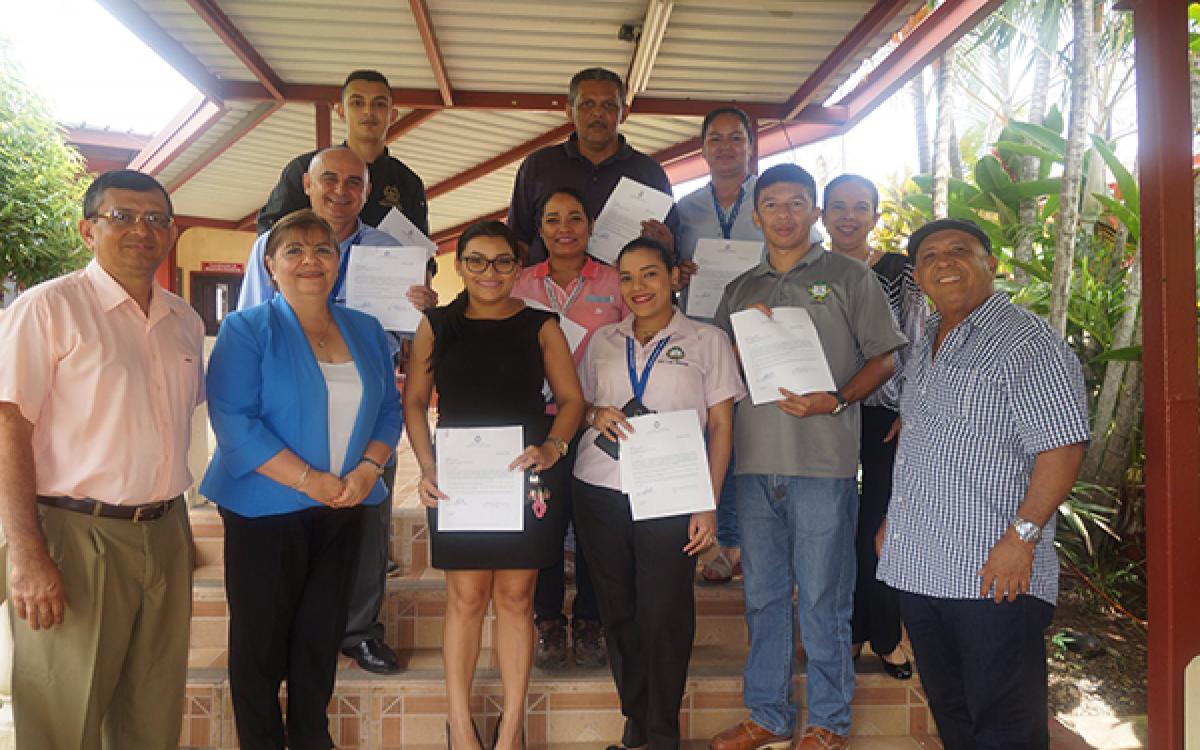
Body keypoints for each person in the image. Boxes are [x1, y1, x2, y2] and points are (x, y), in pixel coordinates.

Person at [0, 169, 204, 749]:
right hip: (73, 534)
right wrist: (27, 556)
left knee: (151, 712)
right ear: (89, 230)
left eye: (156, 219)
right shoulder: (48, 309)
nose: (142, 230)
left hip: (165, 532)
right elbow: (8, 430)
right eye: (123, 217)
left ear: (170, 233)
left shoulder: (183, 321)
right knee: (63, 717)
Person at [709, 164, 907, 750]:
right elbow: (725, 369)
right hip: (754, 463)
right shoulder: (740, 290)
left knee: (823, 598)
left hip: (823, 464)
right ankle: (767, 715)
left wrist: (838, 398)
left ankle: (827, 723)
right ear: (757, 215)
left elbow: (885, 358)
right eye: (773, 204)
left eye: (798, 203)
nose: (785, 215)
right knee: (764, 598)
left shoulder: (850, 277)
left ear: (814, 212)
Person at [878, 218, 1089, 748]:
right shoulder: (925, 339)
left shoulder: (1024, 339)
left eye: (959, 250)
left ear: (990, 264)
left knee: (1005, 727)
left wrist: (1022, 537)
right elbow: (922, 437)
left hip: (993, 576)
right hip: (923, 569)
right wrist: (891, 518)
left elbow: (1062, 445)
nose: (943, 263)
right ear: (918, 276)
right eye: (929, 257)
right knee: (954, 715)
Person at [202, 209, 403, 750]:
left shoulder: (365, 328)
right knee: (261, 639)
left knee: (320, 632)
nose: (310, 260)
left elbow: (388, 409)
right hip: (264, 508)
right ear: (271, 265)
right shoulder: (247, 329)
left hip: (345, 504)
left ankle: (312, 734)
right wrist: (309, 479)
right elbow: (234, 421)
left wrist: (366, 470)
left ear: (338, 263)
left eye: (322, 249)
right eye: (294, 250)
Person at [239, 145, 432, 675]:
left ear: (367, 192)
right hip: (291, 406)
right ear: (307, 183)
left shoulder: (390, 250)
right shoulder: (271, 248)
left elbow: (405, 334)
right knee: (290, 516)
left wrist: (421, 310)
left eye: (353, 182)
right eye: (330, 179)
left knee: (368, 522)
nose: (341, 190)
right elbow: (251, 322)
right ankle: (295, 629)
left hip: (367, 405)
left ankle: (359, 630)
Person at [404, 221, 585, 750]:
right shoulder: (436, 325)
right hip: (458, 475)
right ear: (459, 265)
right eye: (477, 261)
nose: (490, 272)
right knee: (464, 597)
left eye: (503, 261)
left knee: (515, 596)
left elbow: (571, 400)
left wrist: (554, 447)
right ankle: (460, 724)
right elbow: (415, 402)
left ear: (517, 267)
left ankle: (510, 727)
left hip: (523, 473)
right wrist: (427, 464)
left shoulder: (541, 324)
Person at [573, 237, 744, 750]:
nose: (637, 287)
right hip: (600, 487)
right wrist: (591, 414)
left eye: (650, 274)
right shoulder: (603, 340)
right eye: (626, 277)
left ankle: (663, 731)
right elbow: (576, 403)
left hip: (671, 493)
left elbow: (722, 428)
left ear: (675, 278)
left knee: (664, 610)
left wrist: (707, 504)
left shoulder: (706, 340)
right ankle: (636, 719)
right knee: (617, 607)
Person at [511, 187, 627, 670]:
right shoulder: (520, 284)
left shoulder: (615, 281)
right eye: (553, 218)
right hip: (542, 420)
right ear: (538, 229)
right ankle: (548, 623)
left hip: (601, 418)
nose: (565, 228)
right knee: (545, 525)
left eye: (575, 218)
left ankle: (590, 621)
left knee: (596, 527)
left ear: (591, 225)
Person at [822, 174, 926, 680]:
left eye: (860, 206)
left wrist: (912, 409)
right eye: (837, 206)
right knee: (833, 528)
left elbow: (921, 341)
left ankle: (883, 633)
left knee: (880, 526)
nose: (848, 216)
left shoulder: (900, 272)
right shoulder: (806, 270)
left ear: (875, 217)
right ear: (822, 216)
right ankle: (846, 630)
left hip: (885, 415)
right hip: (823, 413)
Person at [673, 106, 763, 586]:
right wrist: (679, 268)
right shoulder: (685, 209)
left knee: (751, 445)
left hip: (759, 342)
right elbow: (664, 271)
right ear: (702, 147)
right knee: (711, 441)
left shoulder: (771, 201)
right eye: (716, 139)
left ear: (750, 145)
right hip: (702, 339)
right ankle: (716, 542)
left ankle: (744, 540)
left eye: (736, 139)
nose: (726, 148)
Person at [508, 67, 679, 265]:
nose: (598, 113)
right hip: (547, 293)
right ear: (569, 112)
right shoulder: (538, 166)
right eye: (587, 104)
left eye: (609, 105)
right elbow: (518, 241)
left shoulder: (650, 173)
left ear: (624, 113)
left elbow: (671, 244)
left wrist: (666, 246)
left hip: (626, 293)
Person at [256, 69, 428, 234]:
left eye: (379, 104)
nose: (368, 111)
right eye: (357, 103)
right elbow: (270, 235)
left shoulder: (408, 183)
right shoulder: (306, 168)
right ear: (341, 111)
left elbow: (421, 253)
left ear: (392, 115)